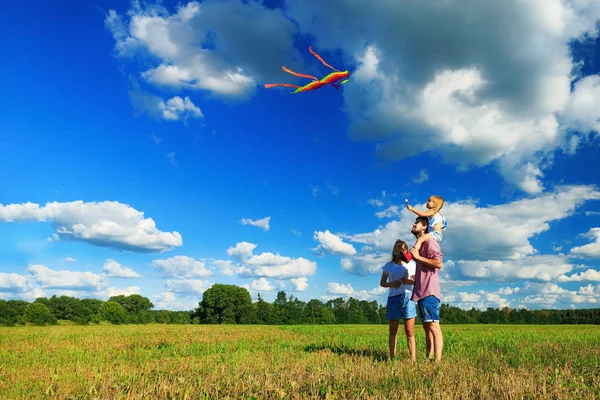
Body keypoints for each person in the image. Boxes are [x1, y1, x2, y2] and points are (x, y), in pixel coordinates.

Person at [409, 216, 444, 362]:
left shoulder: (430, 242)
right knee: (426, 327)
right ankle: (429, 357)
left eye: (416, 222)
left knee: (434, 326)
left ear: (424, 226)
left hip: (429, 291)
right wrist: (417, 278)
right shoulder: (420, 245)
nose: (413, 224)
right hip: (421, 292)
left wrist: (418, 258)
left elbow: (438, 263)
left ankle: (437, 361)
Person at [379, 239, 417, 361]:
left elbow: (417, 282)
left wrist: (409, 281)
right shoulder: (388, 266)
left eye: (401, 247)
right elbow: (382, 283)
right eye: (396, 246)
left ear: (406, 251)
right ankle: (392, 357)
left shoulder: (411, 265)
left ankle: (413, 359)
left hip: (408, 297)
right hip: (393, 298)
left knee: (409, 331)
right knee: (393, 331)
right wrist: (392, 284)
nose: (398, 248)